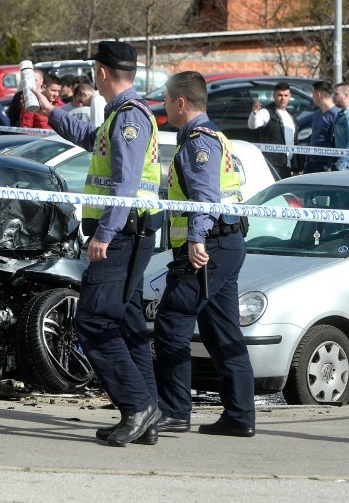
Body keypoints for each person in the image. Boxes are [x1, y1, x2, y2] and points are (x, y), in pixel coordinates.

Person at [32, 40, 163, 447]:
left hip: (123, 233)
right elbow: (92, 140)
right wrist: (49, 111)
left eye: (93, 68)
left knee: (93, 322)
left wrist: (104, 233)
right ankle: (144, 415)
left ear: (101, 72)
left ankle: (138, 406)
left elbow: (124, 182)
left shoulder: (130, 117)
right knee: (126, 324)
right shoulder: (121, 113)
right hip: (131, 231)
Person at [154, 71, 256, 438]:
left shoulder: (199, 142)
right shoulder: (213, 136)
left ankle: (174, 411)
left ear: (181, 103)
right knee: (222, 333)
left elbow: (205, 196)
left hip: (207, 247)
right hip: (225, 243)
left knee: (170, 325)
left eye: (166, 100)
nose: (164, 106)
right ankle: (240, 415)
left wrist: (196, 239)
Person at [247, 82, 298, 178]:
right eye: (280, 95)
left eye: (286, 95)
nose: (283, 98)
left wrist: (296, 168)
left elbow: (295, 143)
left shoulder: (291, 117)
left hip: (286, 165)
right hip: (271, 165)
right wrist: (254, 113)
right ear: (274, 96)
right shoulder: (266, 112)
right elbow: (252, 125)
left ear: (289, 96)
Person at [302, 80, 339, 174]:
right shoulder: (316, 114)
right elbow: (314, 137)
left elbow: (337, 141)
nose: (312, 97)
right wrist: (307, 160)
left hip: (326, 164)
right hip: (312, 162)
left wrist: (330, 164)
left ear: (318, 95)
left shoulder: (337, 115)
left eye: (313, 94)